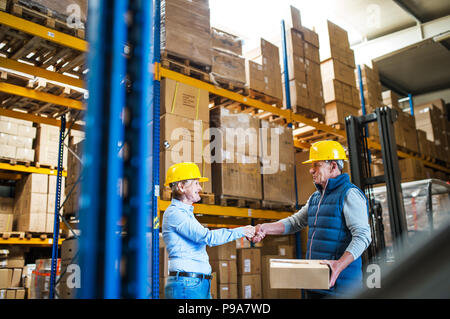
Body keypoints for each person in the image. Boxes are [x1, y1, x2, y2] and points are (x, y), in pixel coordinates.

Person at [252, 140, 372, 299]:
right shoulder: (316, 197)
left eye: (316, 165)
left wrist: (339, 265)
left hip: (341, 287)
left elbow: (363, 236)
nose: (311, 170)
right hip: (316, 283)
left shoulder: (350, 194)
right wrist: (265, 228)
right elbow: (295, 222)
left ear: (333, 166)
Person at [162, 162, 255, 299]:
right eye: (196, 183)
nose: (200, 188)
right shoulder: (175, 214)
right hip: (188, 284)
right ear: (181, 187)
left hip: (196, 283)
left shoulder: (186, 213)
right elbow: (207, 237)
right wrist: (242, 231)